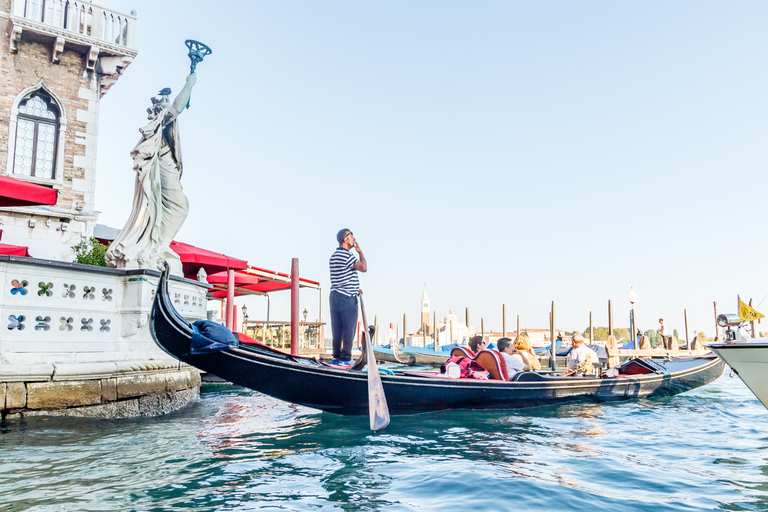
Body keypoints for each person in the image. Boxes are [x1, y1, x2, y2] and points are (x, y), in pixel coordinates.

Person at [106, 74, 197, 274]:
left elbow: (178, 108)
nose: (168, 103)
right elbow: (177, 108)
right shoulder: (160, 122)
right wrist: (189, 84)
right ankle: (160, 244)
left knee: (183, 204)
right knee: (180, 206)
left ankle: (160, 243)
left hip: (167, 168)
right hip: (163, 169)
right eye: (165, 102)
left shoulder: (165, 126)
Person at [329, 229, 367, 365]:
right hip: (347, 297)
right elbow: (363, 268)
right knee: (349, 329)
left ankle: (336, 357)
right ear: (345, 239)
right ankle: (345, 359)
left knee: (337, 328)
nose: (353, 238)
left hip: (334, 296)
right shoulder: (347, 255)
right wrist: (360, 251)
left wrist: (356, 287)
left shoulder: (333, 256)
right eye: (351, 235)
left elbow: (342, 277)